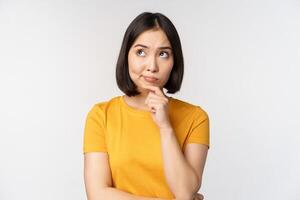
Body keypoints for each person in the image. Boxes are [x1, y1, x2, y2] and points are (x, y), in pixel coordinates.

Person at [83, 12, 209, 200]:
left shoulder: (196, 117)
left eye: (163, 54)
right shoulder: (101, 115)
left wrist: (166, 127)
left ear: (174, 62)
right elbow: (97, 195)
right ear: (126, 55)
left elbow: (184, 191)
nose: (152, 66)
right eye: (141, 52)